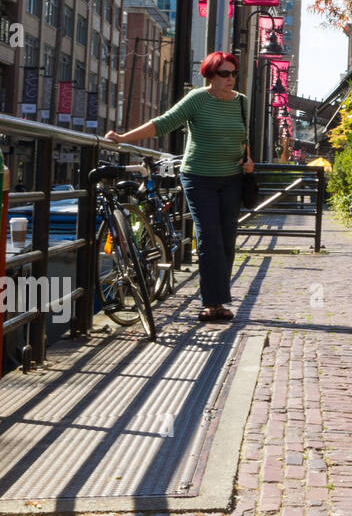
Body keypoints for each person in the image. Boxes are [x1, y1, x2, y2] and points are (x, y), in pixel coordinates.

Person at [106, 51, 254, 323]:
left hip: (232, 178)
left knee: (227, 240)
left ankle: (219, 299)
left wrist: (248, 160)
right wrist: (124, 137)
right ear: (210, 74)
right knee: (209, 237)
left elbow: (242, 137)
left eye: (233, 73)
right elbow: (163, 124)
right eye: (224, 73)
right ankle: (213, 303)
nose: (230, 79)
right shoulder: (197, 99)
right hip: (199, 177)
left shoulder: (242, 102)